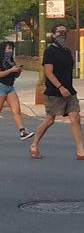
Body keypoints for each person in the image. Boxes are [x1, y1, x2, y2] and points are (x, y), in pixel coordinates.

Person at [29, 24, 84, 160]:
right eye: (59, 32)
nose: (62, 34)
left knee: (75, 118)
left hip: (69, 91)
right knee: (50, 120)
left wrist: (66, 87)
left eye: (65, 32)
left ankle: (80, 151)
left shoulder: (66, 51)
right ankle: (34, 144)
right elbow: (48, 72)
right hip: (54, 91)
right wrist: (60, 87)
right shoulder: (50, 51)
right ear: (53, 35)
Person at [0, 41, 35, 141]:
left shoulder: (11, 60)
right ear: (3, 49)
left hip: (10, 86)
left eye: (11, 49)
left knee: (16, 110)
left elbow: (15, 75)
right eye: (8, 48)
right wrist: (11, 70)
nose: (10, 51)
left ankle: (22, 131)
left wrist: (18, 71)